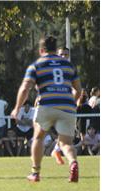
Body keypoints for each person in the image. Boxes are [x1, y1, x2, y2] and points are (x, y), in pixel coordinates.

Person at [11, 35, 82, 182]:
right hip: (67, 106)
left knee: (38, 137)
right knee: (66, 143)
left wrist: (17, 108)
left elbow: (25, 89)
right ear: (56, 50)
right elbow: (78, 91)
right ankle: (73, 163)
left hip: (46, 105)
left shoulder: (37, 65)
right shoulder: (68, 65)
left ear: (41, 50)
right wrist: (71, 104)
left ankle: (35, 173)